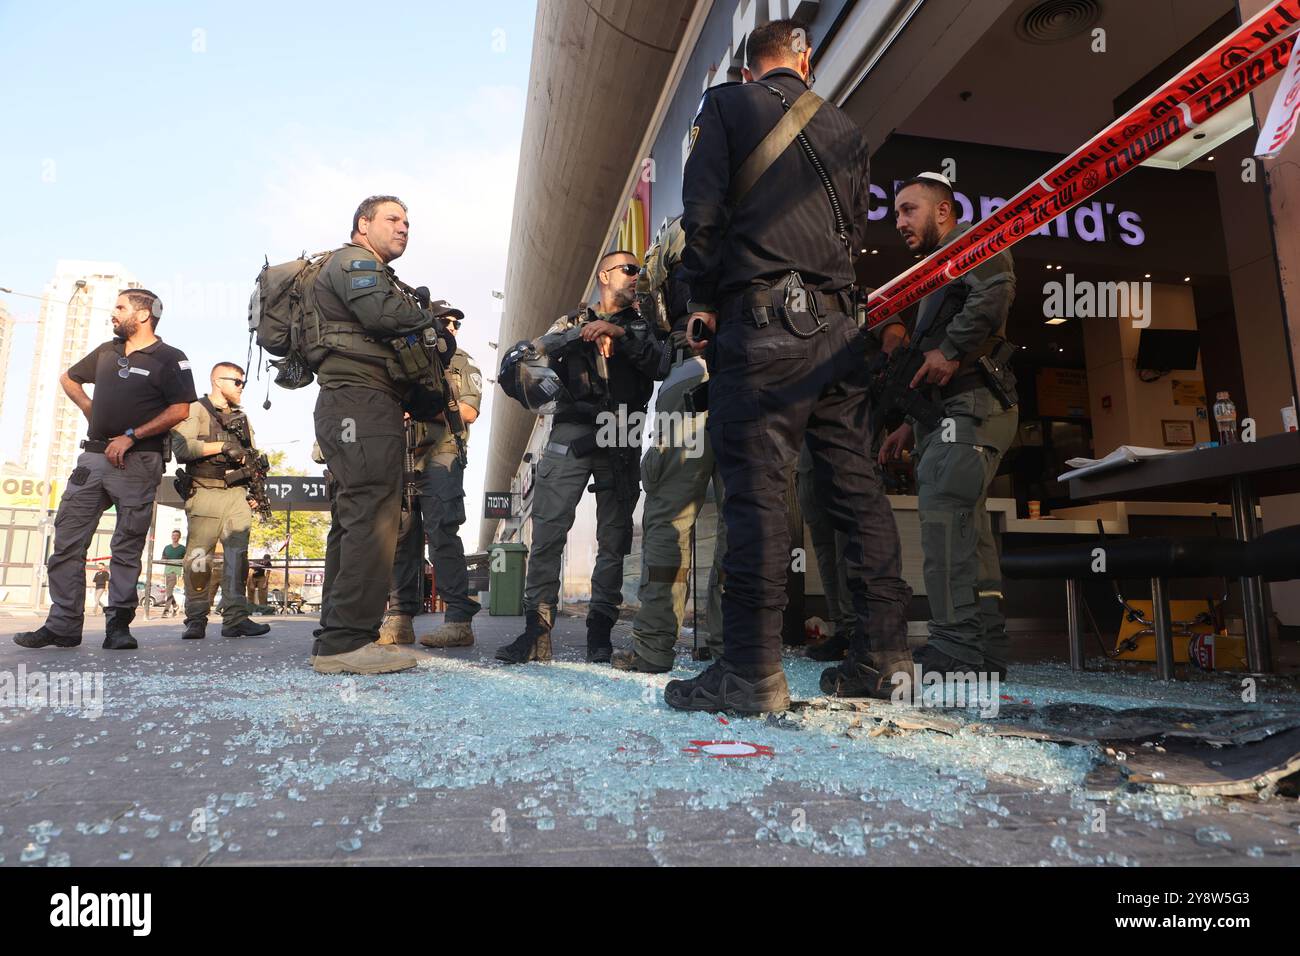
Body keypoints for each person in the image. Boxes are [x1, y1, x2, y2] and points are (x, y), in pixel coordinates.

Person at [666, 19, 912, 713]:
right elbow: (854, 232)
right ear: (804, 60)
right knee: (857, 492)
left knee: (757, 494)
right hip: (840, 328)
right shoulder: (843, 128)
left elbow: (702, 213)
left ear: (749, 67)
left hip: (765, 322)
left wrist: (702, 300)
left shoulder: (725, 105)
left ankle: (750, 671)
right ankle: (885, 659)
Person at [878, 172, 1019, 680]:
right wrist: (909, 428)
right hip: (952, 414)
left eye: (908, 210)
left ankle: (957, 649)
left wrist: (951, 349)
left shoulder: (972, 244)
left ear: (943, 211)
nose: (899, 222)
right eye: (896, 213)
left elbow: (997, 292)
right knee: (968, 530)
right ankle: (984, 649)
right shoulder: (937, 274)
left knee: (944, 524)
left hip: (972, 408)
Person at [311, 195, 458, 675]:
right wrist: (430, 326)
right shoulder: (355, 261)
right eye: (392, 219)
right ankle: (345, 644)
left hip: (363, 401)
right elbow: (378, 313)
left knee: (359, 515)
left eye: (408, 221)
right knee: (372, 516)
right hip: (359, 401)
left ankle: (339, 636)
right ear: (363, 224)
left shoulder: (368, 267)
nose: (403, 227)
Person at [496, 250, 663, 664]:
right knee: (549, 531)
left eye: (639, 271)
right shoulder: (570, 322)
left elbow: (661, 364)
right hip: (572, 431)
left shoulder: (644, 324)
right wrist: (586, 332)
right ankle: (537, 631)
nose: (636, 277)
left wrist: (621, 335)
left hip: (622, 431)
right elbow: (526, 359)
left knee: (614, 540)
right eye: (629, 270)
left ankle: (599, 634)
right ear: (605, 275)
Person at [15, 290, 196, 650]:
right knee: (66, 540)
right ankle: (63, 624)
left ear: (144, 315)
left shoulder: (170, 359)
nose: (112, 313)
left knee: (127, 545)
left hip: (138, 461)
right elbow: (69, 378)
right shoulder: (105, 351)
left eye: (120, 307)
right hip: (92, 459)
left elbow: (180, 410)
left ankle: (117, 626)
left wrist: (131, 436)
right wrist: (90, 410)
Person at [613, 217, 726, 673]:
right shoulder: (768, 215)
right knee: (745, 519)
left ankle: (655, 647)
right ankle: (732, 648)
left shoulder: (686, 226)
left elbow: (656, 313)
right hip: (752, 373)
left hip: (693, 371)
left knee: (669, 517)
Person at [378, 324, 484, 648]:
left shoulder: (460, 362)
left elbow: (468, 410)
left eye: (456, 323)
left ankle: (457, 621)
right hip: (406, 454)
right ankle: (399, 619)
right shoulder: (407, 360)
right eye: (445, 322)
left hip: (442, 453)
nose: (452, 328)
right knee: (402, 537)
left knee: (442, 534)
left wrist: (421, 410)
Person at [170, 362, 272, 640]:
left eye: (242, 382)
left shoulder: (242, 417)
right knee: (199, 558)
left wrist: (254, 490)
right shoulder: (197, 409)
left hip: (237, 496)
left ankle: (235, 618)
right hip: (206, 492)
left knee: (238, 559)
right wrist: (223, 447)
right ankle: (196, 618)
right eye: (237, 382)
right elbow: (182, 447)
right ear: (217, 381)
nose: (241, 387)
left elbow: (250, 455)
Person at [161, 530, 185, 617]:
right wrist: (164, 560)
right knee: (168, 592)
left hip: (176, 572)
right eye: (173, 535)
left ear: (179, 537)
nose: (174, 537)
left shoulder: (182, 548)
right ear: (171, 537)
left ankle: (166, 611)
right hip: (167, 571)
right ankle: (175, 606)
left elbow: (185, 560)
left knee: (169, 591)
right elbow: (163, 558)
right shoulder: (167, 547)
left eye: (176, 536)